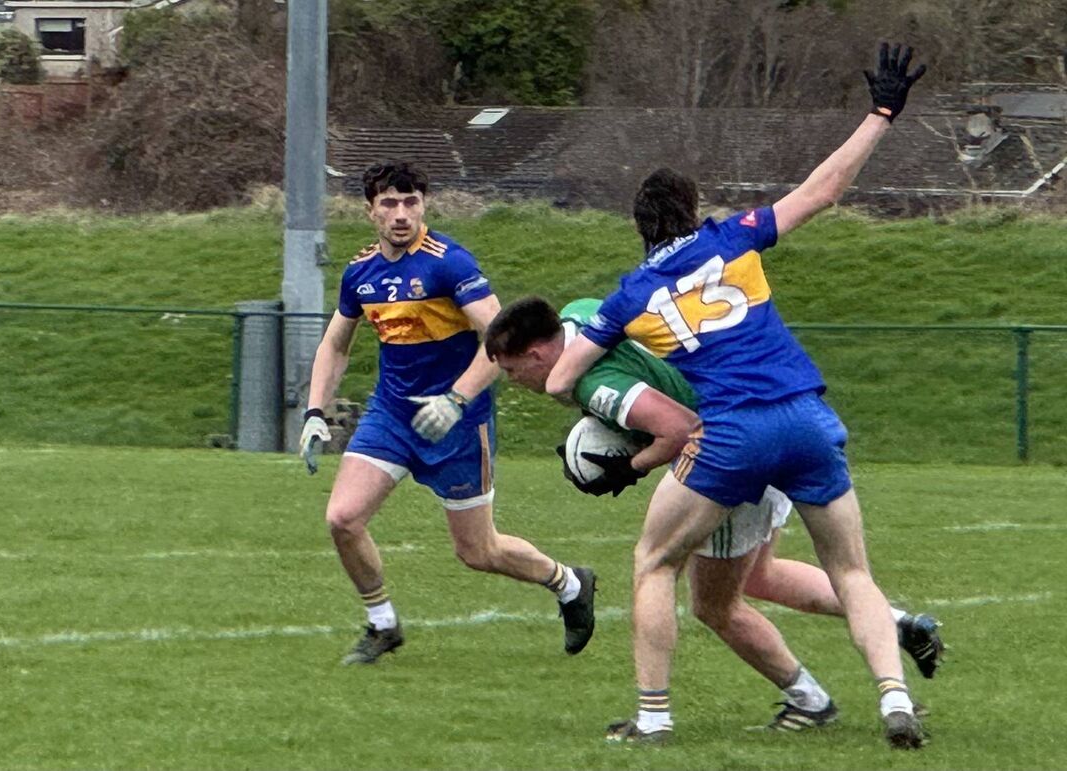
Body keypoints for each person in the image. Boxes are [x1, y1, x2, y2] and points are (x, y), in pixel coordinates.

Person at [543, 44, 930, 748]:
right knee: (851, 571)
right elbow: (822, 190)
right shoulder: (734, 238)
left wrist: (614, 390)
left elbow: (561, 377)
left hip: (732, 434)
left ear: (640, 228)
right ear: (693, 213)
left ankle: (654, 717)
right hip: (807, 416)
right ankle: (893, 697)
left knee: (655, 562)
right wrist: (880, 113)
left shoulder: (628, 296)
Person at [485, 295, 943, 732]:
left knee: (712, 603)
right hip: (772, 418)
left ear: (538, 353)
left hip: (732, 450)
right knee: (762, 576)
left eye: (511, 369)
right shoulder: (580, 315)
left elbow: (681, 428)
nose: (513, 380)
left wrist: (627, 466)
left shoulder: (596, 385)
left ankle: (805, 702)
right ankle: (897, 621)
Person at [298, 160, 596, 665]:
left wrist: (456, 399)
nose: (401, 213)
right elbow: (335, 344)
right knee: (343, 518)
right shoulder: (361, 273)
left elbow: (501, 340)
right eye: (389, 203)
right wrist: (313, 411)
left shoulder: (448, 263)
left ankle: (569, 583)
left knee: (478, 552)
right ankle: (382, 623)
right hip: (392, 416)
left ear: (424, 206)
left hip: (458, 425)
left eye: (411, 202)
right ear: (370, 211)